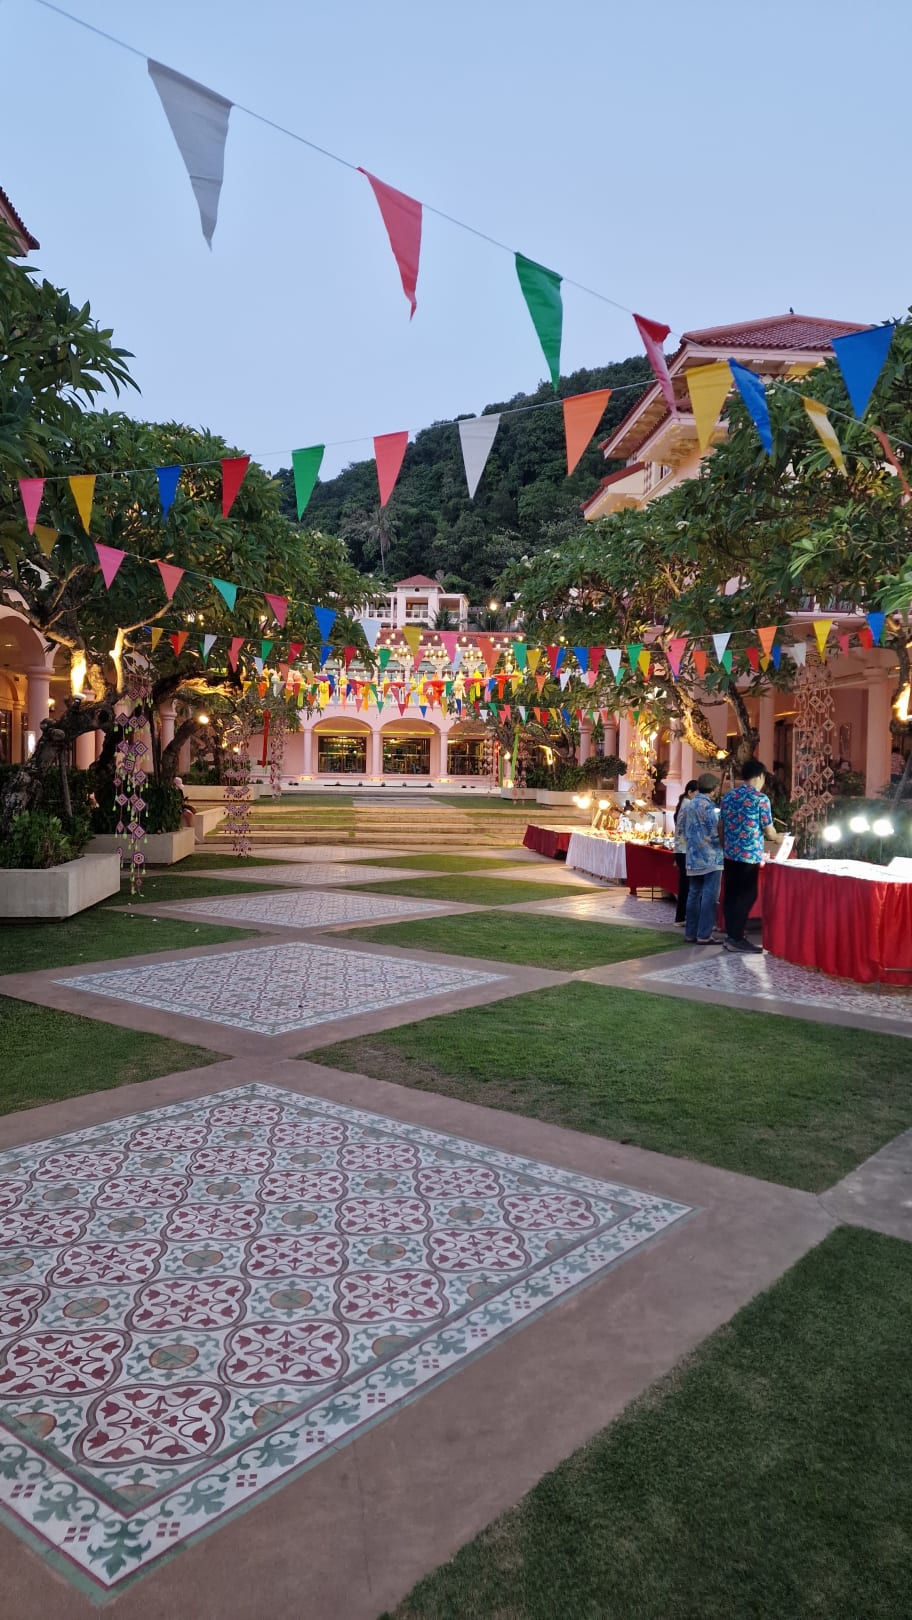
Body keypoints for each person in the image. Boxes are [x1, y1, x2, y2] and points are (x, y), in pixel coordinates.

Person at [719, 759, 784, 953]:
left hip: (730, 854)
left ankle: (731, 935)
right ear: (760, 776)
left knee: (731, 895)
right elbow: (769, 831)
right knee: (748, 895)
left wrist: (725, 846)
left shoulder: (729, 796)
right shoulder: (760, 799)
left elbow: (720, 826)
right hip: (748, 856)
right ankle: (736, 938)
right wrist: (780, 838)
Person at [683, 773, 723, 944]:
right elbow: (715, 832)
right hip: (711, 857)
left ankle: (690, 933)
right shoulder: (709, 807)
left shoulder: (689, 804)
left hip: (693, 856)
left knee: (693, 894)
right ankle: (704, 934)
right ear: (714, 789)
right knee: (709, 896)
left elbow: (684, 829)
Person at [673, 779, 699, 925]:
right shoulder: (689, 806)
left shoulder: (683, 804)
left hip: (681, 850)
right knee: (687, 886)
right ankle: (682, 917)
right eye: (698, 794)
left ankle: (681, 917)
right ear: (690, 792)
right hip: (685, 850)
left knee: (685, 885)